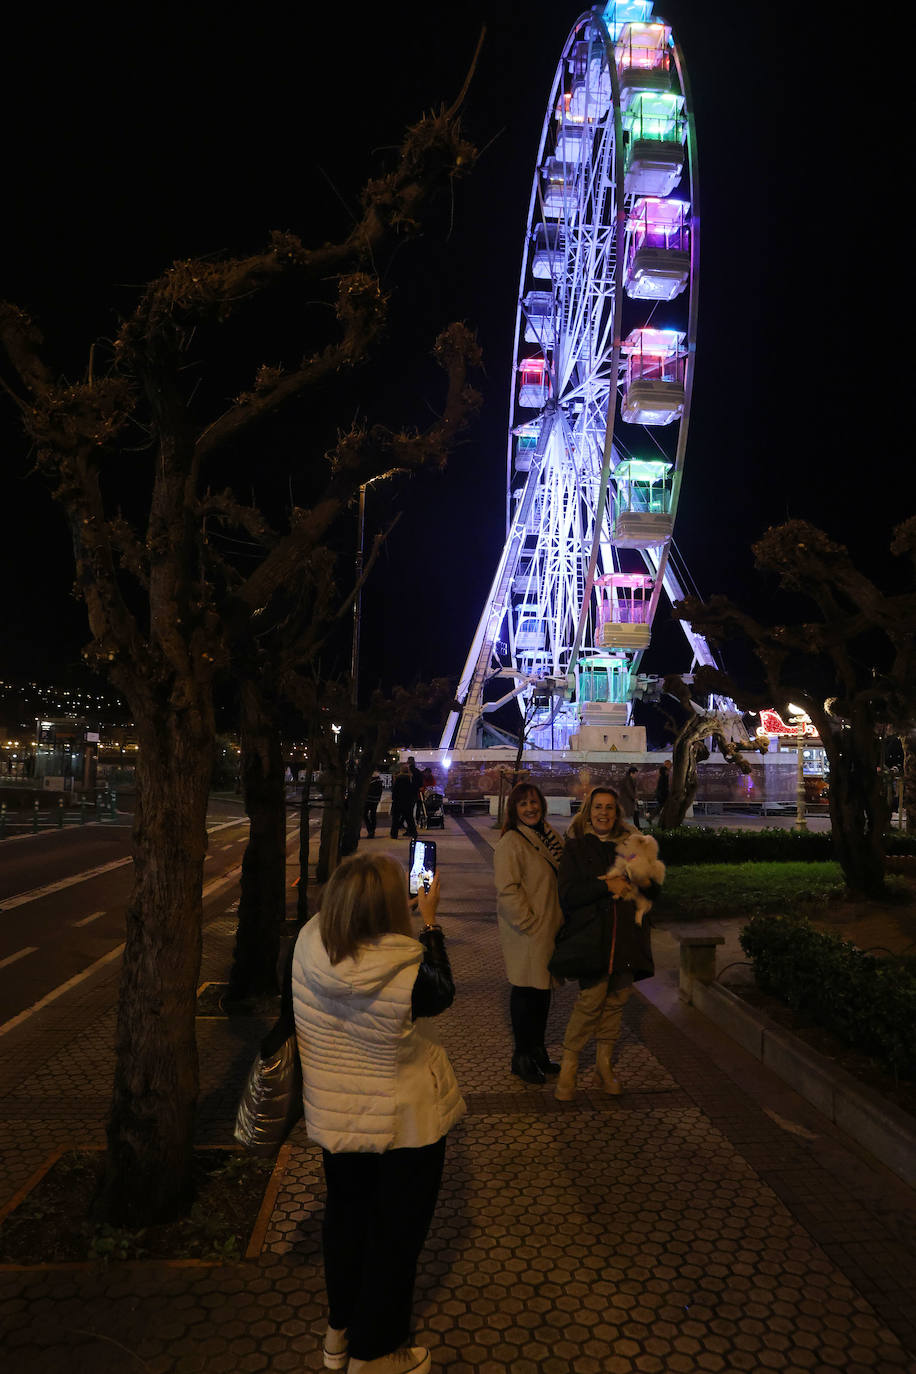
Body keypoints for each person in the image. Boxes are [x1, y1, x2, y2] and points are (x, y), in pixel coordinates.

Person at [292, 853, 464, 1374]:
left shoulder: (307, 944)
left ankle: (339, 1335)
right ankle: (377, 1353)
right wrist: (430, 921)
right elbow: (444, 990)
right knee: (394, 1240)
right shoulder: (407, 969)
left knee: (345, 1224)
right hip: (403, 1130)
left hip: (338, 1122)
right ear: (391, 906)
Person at [549, 787, 659, 1103]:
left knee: (616, 1002)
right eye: (598, 807)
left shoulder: (633, 845)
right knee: (590, 1002)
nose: (603, 813)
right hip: (593, 938)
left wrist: (648, 882)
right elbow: (568, 894)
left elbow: (652, 890)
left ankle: (603, 1065)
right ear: (588, 811)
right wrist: (603, 885)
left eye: (609, 808)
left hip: (627, 937)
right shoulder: (576, 847)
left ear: (617, 812)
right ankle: (570, 1065)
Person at [493, 783, 565, 1084]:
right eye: (523, 804)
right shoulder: (511, 841)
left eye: (534, 802)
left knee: (541, 994)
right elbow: (507, 890)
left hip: (548, 929)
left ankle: (537, 1051)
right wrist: (529, 923)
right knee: (525, 993)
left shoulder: (548, 836)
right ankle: (521, 1057)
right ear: (514, 810)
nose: (530, 808)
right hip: (527, 932)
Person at [390, 765, 418, 840]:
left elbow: (395, 790)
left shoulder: (398, 778)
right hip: (408, 801)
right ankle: (414, 833)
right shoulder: (411, 778)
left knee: (395, 819)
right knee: (410, 819)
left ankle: (394, 834)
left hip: (398, 801)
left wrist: (394, 799)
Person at [617, 765, 641, 829]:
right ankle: (621, 827)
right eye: (635, 774)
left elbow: (633, 789)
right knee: (625, 814)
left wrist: (635, 797)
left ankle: (637, 826)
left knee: (635, 812)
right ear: (631, 773)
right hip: (626, 800)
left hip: (629, 799)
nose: (636, 775)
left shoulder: (632, 779)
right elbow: (629, 789)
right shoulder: (627, 779)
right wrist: (634, 797)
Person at [363, 771, 384, 838]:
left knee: (364, 814)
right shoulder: (379, 783)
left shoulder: (371, 783)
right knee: (373, 815)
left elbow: (367, 791)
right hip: (375, 801)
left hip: (368, 800)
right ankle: (372, 830)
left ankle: (370, 829)